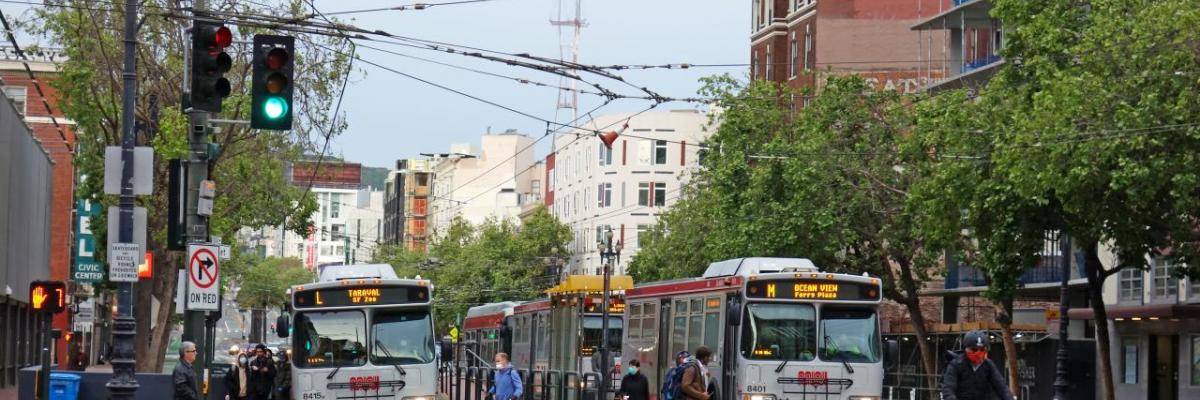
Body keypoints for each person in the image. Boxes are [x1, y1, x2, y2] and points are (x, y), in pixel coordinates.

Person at [941, 331, 1016, 400]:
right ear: (966, 348)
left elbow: (1002, 387)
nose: (978, 353)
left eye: (982, 349)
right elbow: (948, 390)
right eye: (974, 349)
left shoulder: (988, 365)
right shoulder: (956, 365)